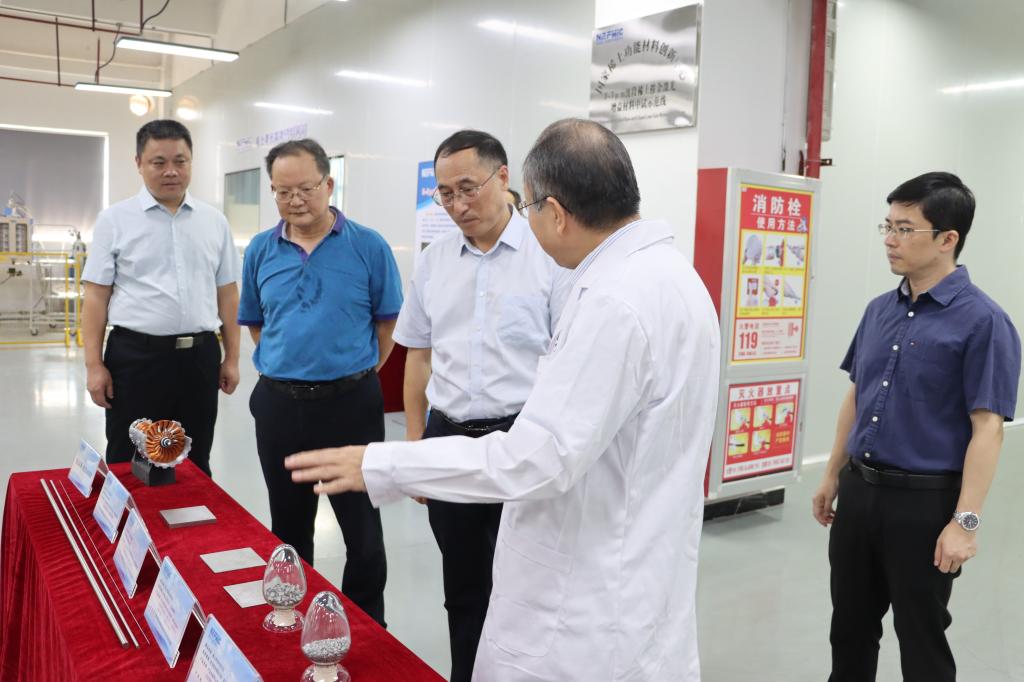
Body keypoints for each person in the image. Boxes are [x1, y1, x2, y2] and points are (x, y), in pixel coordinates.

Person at [285, 118, 721, 681]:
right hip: (634, 570)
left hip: (591, 604)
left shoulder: (612, 301)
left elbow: (537, 458)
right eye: (446, 193)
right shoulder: (672, 277)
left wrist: (384, 463)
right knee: (466, 591)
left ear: (554, 212)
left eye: (529, 206)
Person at [811, 172, 1021, 681]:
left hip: (924, 505)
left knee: (921, 639)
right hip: (861, 493)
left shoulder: (984, 321)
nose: (890, 239)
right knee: (849, 631)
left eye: (905, 229)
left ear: (948, 239)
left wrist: (965, 523)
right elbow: (857, 395)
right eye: (888, 226)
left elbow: (988, 428)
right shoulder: (878, 311)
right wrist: (833, 473)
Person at [395, 130, 565, 682]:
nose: (457, 205)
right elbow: (418, 356)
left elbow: (567, 361)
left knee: (530, 584)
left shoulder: (549, 256)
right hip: (450, 438)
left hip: (523, 438)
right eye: (445, 194)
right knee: (464, 585)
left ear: (503, 177)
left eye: (468, 188)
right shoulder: (434, 261)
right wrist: (416, 444)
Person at [237, 138, 401, 627]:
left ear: (329, 184)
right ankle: (293, 621)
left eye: (306, 188)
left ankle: (366, 626)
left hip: (351, 405)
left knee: (362, 529)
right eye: (282, 191)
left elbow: (386, 326)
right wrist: (292, 366)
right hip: (280, 405)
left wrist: (350, 373)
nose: (295, 200)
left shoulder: (368, 246)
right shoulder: (261, 249)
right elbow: (257, 324)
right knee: (287, 527)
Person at [81, 119, 241, 476]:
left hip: (199, 358)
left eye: (180, 161)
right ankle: (129, 514)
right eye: (159, 162)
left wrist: (232, 357)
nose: (171, 171)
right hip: (136, 359)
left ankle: (190, 515)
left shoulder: (214, 222)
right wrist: (94, 365)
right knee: (129, 460)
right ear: (139, 163)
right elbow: (95, 297)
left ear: (191, 162)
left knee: (194, 461)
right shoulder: (115, 220)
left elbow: (228, 294)